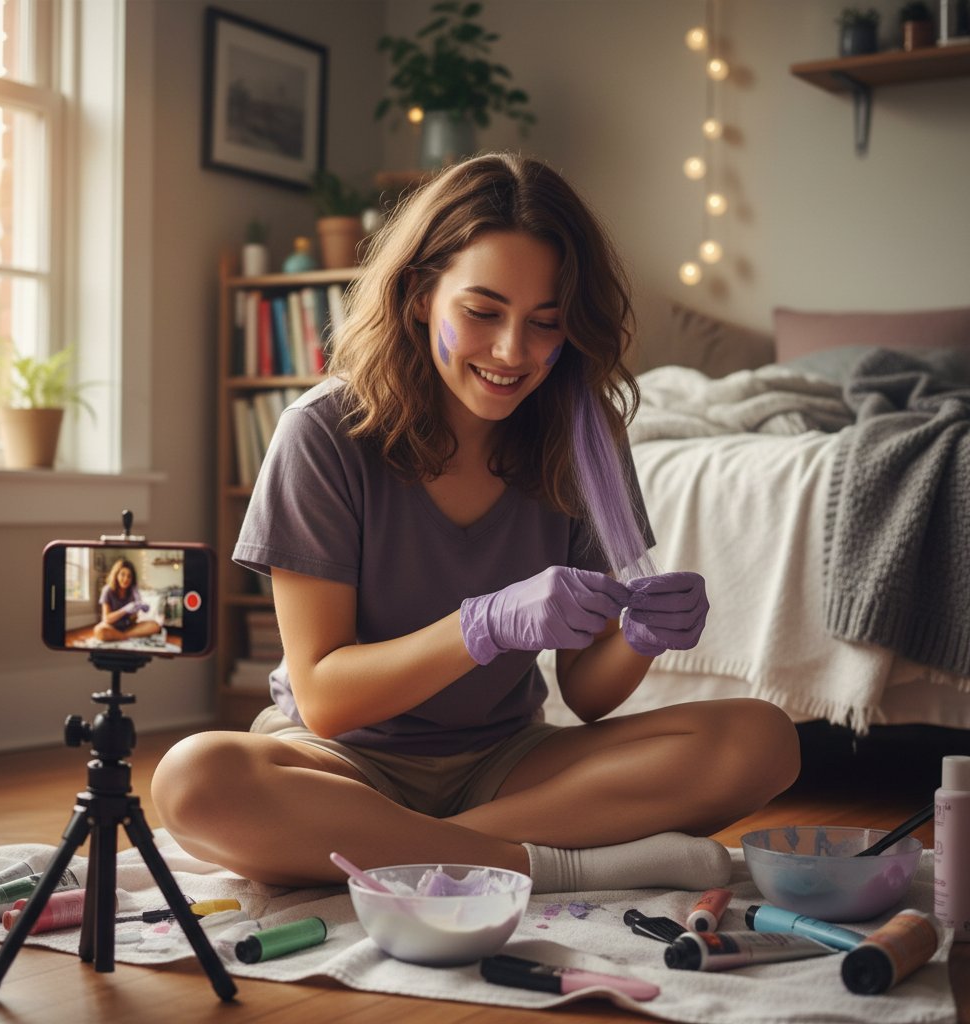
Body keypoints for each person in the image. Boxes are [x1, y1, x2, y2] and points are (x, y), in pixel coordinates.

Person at [152, 153, 799, 893]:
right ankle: (546, 863)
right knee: (194, 779)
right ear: (420, 294)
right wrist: (482, 625)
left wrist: (639, 638)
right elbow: (326, 702)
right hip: (342, 764)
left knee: (762, 740)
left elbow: (587, 693)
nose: (512, 352)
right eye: (483, 313)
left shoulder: (585, 441)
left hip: (508, 763)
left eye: (545, 323)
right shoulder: (323, 433)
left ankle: (405, 850)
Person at [93, 557, 161, 643]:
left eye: (129, 576)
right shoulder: (107, 590)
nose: (126, 579)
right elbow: (106, 619)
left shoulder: (133, 592)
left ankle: (122, 636)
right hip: (111, 627)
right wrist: (125, 610)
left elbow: (133, 620)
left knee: (155, 625)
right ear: (116, 575)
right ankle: (125, 636)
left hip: (128, 627)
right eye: (122, 574)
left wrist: (137, 609)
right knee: (99, 631)